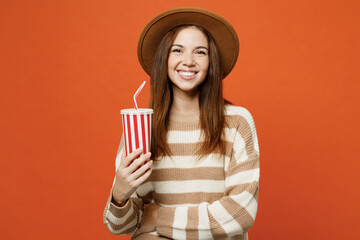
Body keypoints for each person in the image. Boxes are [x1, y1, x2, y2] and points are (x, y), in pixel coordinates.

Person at [103, 7, 260, 240]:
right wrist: (119, 194)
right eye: (177, 50)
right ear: (163, 58)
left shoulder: (237, 122)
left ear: (211, 61)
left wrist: (158, 218)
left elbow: (240, 214)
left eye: (200, 52)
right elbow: (122, 226)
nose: (188, 61)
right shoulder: (140, 127)